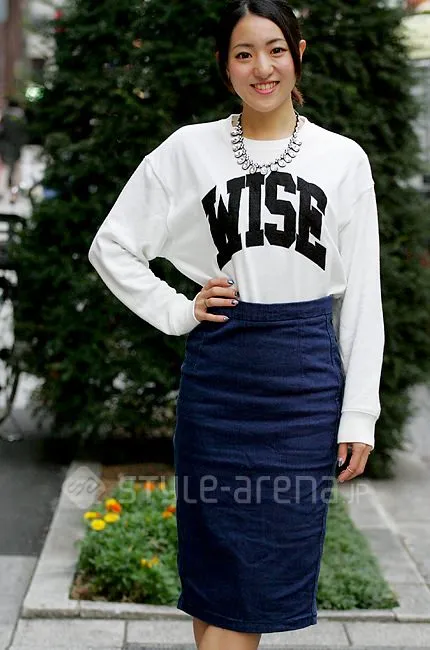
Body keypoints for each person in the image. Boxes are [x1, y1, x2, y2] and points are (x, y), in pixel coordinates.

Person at [88, 0, 384, 647]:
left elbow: (363, 294)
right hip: (219, 382)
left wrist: (359, 413)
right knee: (218, 577)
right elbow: (112, 245)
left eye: (275, 50)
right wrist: (178, 308)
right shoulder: (188, 150)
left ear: (298, 55)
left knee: (260, 578)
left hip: (302, 387)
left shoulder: (343, 159)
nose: (262, 68)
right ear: (225, 67)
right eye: (244, 54)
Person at [0, 98, 28, 204]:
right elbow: (25, 134)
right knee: (16, 173)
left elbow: (1, 133)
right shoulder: (22, 118)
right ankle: (13, 195)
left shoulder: (5, 118)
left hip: (6, 149)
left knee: (6, 170)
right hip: (17, 149)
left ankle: (2, 192)